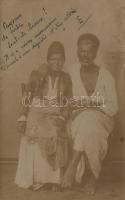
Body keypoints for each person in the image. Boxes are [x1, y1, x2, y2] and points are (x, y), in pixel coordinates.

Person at [61, 33, 118, 195]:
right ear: (77, 51)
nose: (84, 54)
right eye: (81, 50)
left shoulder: (106, 75)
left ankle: (73, 166)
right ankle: (93, 178)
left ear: (96, 52)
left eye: (89, 51)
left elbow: (113, 107)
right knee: (88, 124)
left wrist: (91, 105)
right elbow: (64, 97)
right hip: (77, 119)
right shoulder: (70, 71)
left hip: (103, 120)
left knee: (90, 120)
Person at [15, 41, 72, 191]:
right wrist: (22, 117)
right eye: (53, 59)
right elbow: (27, 97)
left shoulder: (66, 78)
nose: (56, 62)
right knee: (34, 133)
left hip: (55, 112)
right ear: (48, 60)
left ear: (64, 61)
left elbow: (67, 102)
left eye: (60, 59)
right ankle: (37, 179)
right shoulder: (38, 74)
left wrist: (62, 118)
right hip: (37, 110)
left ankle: (53, 180)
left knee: (55, 132)